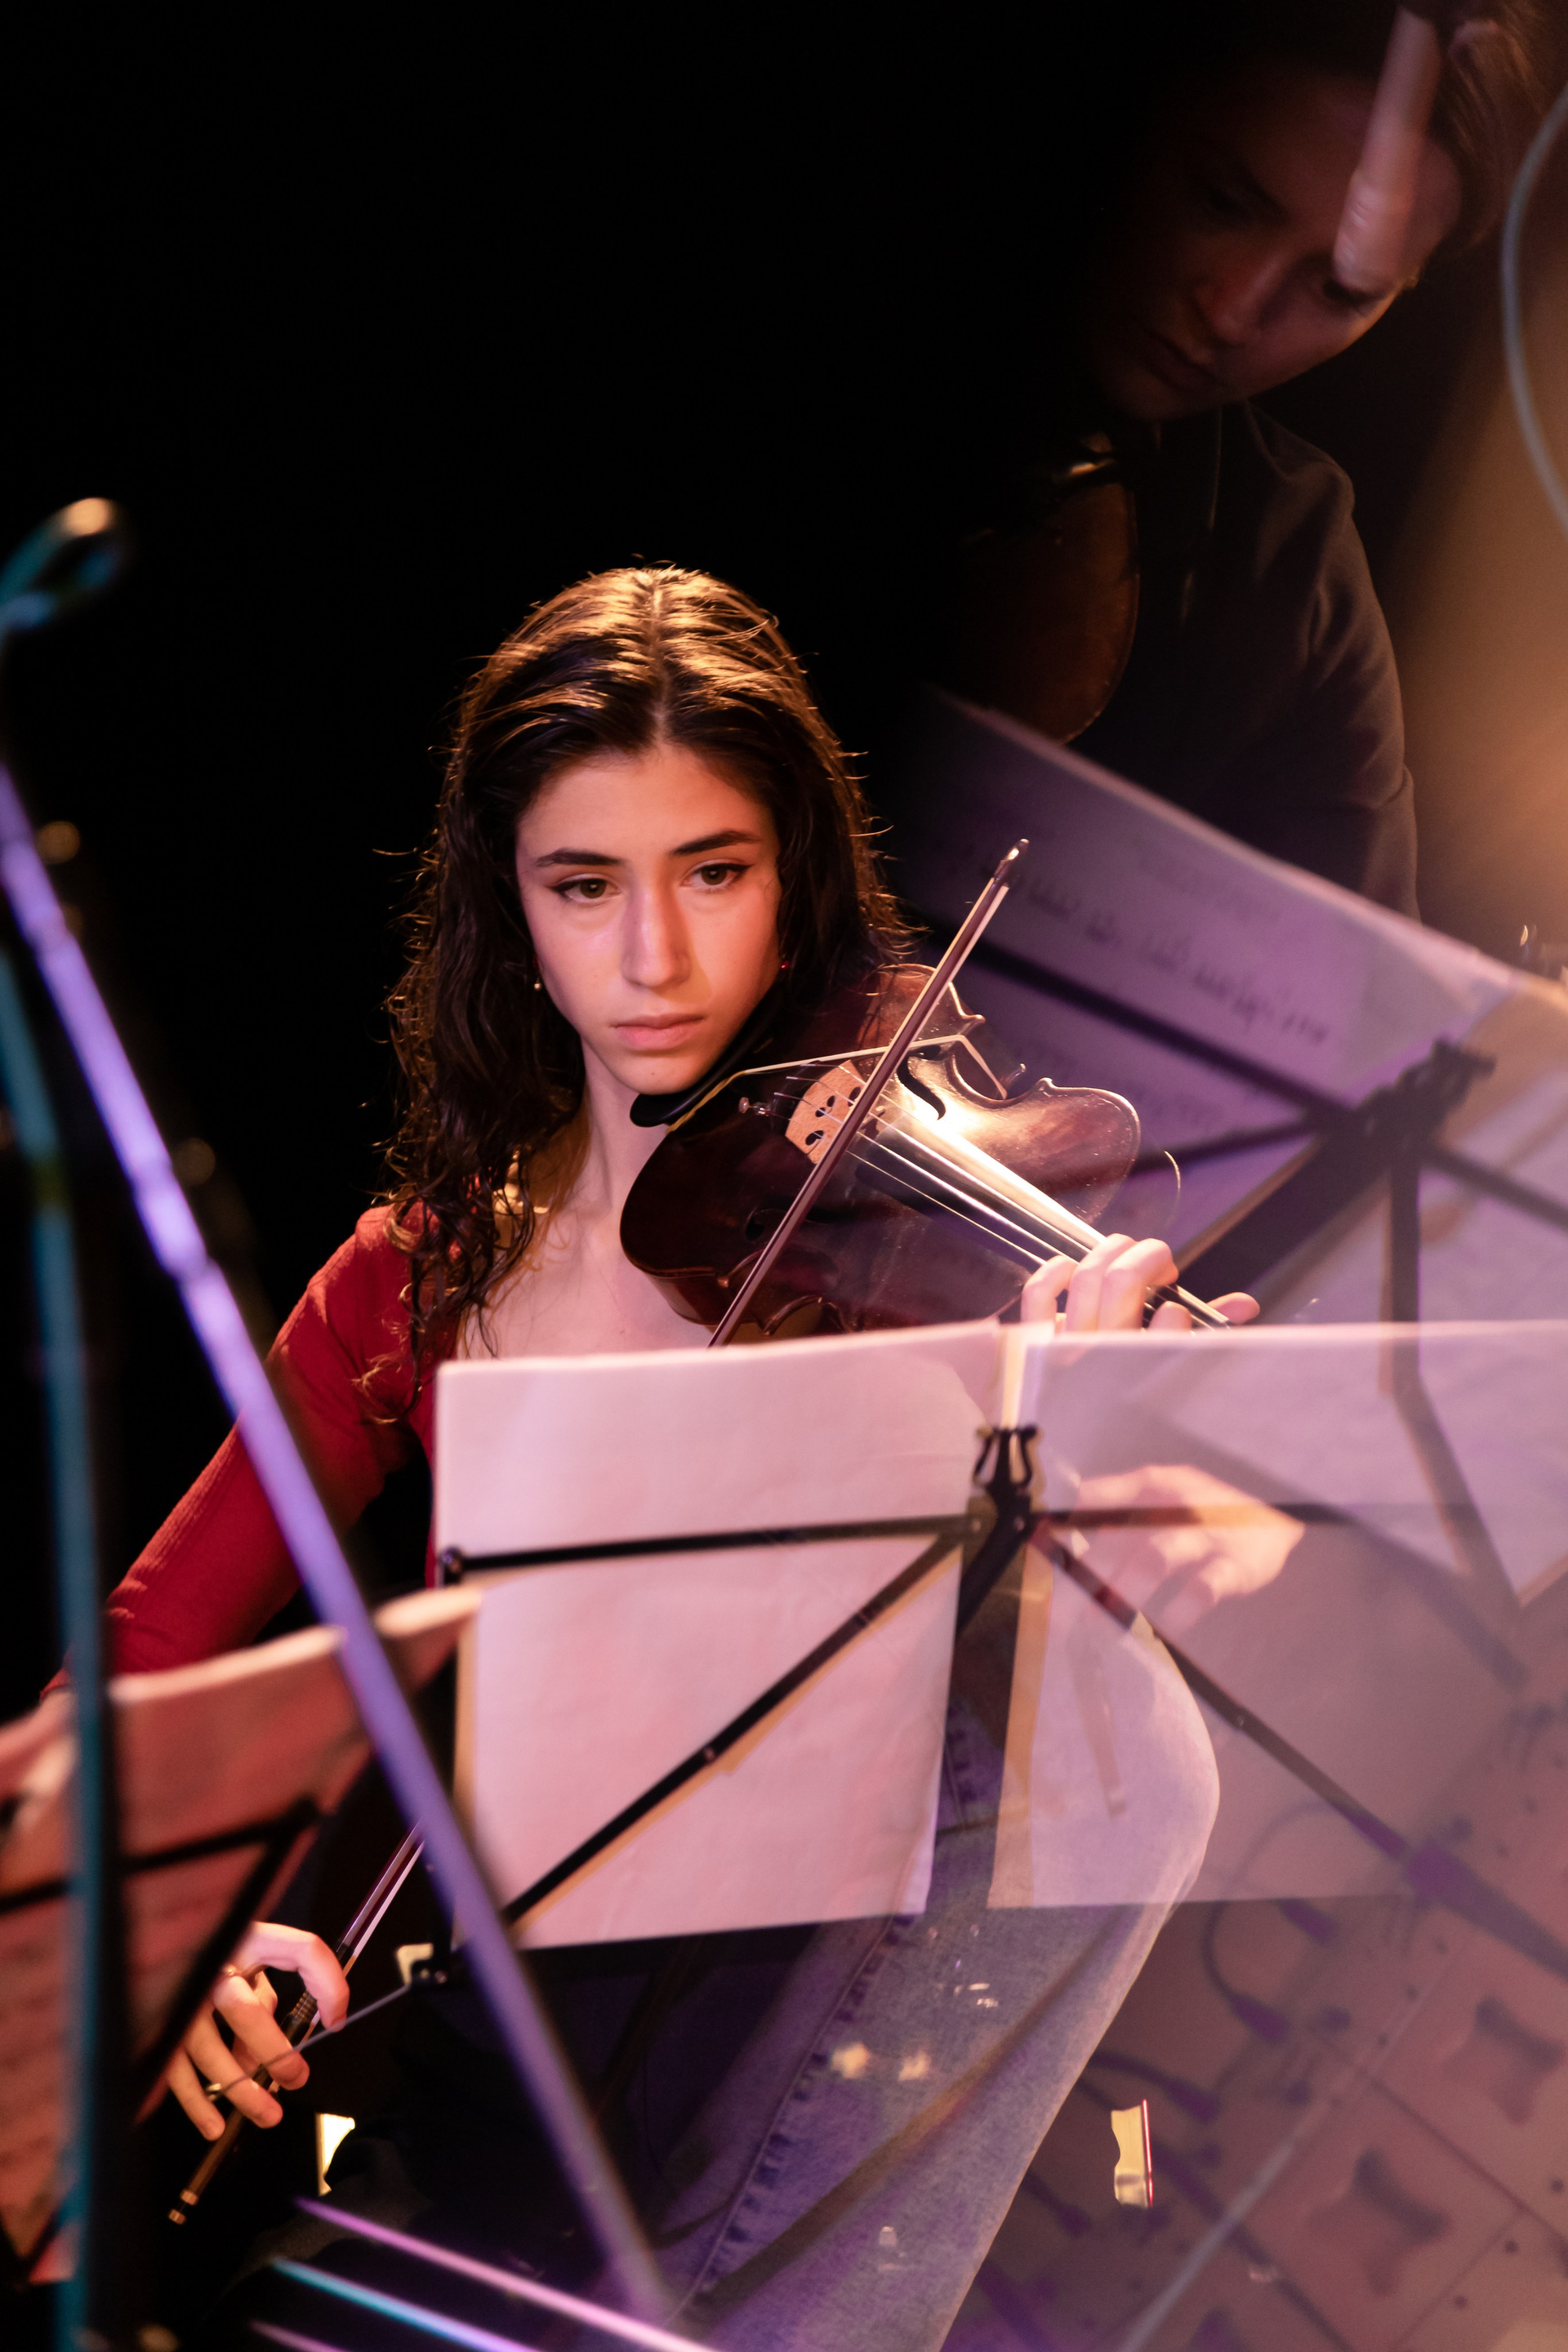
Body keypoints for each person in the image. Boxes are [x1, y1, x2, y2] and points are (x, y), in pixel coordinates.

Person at [108, 568, 1263, 2349]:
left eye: (713, 874)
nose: (653, 958)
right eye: (586, 885)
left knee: (1122, 1732)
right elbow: (137, 1661)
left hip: (803, 2099)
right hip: (482, 2106)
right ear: (511, 907)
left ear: (793, 886)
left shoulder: (908, 1266)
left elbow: (1073, 1747)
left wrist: (1099, 1463)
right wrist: (176, 1936)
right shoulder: (416, 1281)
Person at [929, 0, 1550, 915]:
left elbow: (1350, 969)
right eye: (1222, 202)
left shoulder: (1298, 568)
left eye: (1339, 289)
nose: (1232, 312)